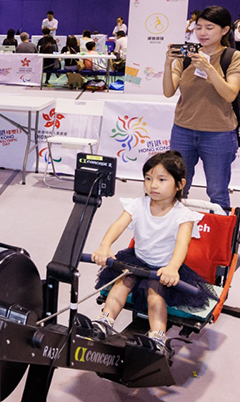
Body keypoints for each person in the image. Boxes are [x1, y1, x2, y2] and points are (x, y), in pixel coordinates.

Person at [90, 151, 217, 354]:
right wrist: (105, 246)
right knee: (121, 283)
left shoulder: (183, 215)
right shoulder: (138, 205)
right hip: (137, 260)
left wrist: (173, 268)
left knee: (154, 294)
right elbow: (118, 226)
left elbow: (182, 245)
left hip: (163, 267)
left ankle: (158, 335)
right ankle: (105, 321)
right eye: (148, 179)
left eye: (161, 179)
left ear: (180, 184)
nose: (153, 185)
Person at [164, 5, 240, 211]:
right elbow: (168, 91)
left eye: (209, 28)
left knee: (217, 192)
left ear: (225, 30)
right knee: (178, 188)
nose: (202, 33)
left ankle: (221, 240)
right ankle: (175, 234)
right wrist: (168, 64)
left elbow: (230, 93)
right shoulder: (187, 57)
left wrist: (208, 68)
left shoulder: (233, 57)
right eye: (198, 27)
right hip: (182, 130)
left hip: (219, 134)